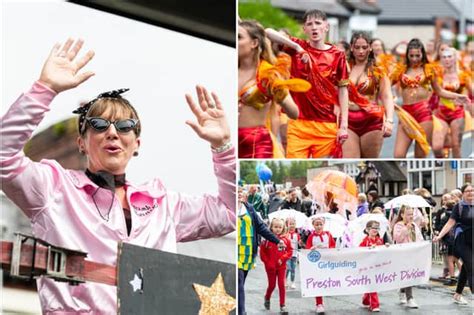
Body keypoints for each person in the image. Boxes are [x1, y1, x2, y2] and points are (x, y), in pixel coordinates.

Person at [0, 39, 236, 313]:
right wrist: (44, 89)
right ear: (82, 143)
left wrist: (224, 147)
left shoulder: (163, 205)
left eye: (124, 126)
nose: (112, 132)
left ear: (136, 144)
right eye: (99, 125)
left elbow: (231, 213)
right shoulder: (53, 188)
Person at [265, 9, 349, 158]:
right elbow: (268, 32)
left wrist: (344, 126)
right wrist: (297, 48)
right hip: (298, 124)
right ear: (304, 29)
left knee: (323, 167)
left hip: (326, 125)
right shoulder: (298, 46)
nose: (314, 27)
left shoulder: (337, 55)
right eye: (309, 24)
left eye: (318, 23)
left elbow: (343, 91)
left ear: (326, 27)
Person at [390, 38, 469, 158]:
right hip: (405, 114)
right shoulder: (401, 70)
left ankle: (418, 176)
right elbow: (384, 88)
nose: (415, 58)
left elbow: (439, 91)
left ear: (423, 54)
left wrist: (457, 96)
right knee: (398, 155)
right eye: (411, 55)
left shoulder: (429, 70)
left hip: (423, 114)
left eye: (418, 55)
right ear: (407, 55)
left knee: (419, 157)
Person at [238, 20, 303, 158]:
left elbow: (294, 113)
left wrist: (279, 94)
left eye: (239, 37)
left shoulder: (268, 74)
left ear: (254, 43)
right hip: (230, 140)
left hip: (256, 144)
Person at [343, 31, 395, 158]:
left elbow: (387, 96)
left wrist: (389, 121)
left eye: (364, 47)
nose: (361, 51)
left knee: (369, 161)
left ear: (370, 48)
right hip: (348, 120)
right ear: (351, 47)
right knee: (350, 159)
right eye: (357, 47)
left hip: (372, 121)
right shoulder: (344, 68)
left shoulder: (378, 70)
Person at [238, 187, 286, 315]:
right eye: (235, 192)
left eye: (239, 192)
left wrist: (277, 240)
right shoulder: (227, 209)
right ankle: (241, 311)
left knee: (240, 284)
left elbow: (261, 228)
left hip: (247, 253)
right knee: (239, 283)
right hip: (234, 252)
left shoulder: (248, 208)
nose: (238, 194)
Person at [433, 183, 473, 305]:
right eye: (468, 191)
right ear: (463, 193)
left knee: (466, 268)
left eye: (472, 190)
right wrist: (439, 236)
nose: (471, 193)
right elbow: (450, 223)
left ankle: (458, 294)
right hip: (462, 240)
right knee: (471, 266)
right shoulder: (459, 207)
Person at [432, 47, 473, 158]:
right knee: (437, 147)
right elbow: (431, 93)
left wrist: (470, 107)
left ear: (455, 58)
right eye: (444, 57)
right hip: (440, 113)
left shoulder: (463, 75)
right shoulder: (437, 75)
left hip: (457, 113)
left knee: (456, 145)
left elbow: (472, 93)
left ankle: (455, 167)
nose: (447, 59)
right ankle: (440, 161)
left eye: (449, 56)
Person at [392, 205, 424, 308]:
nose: (411, 216)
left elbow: (419, 238)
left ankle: (402, 290)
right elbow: (397, 238)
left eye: (412, 214)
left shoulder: (414, 225)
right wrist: (406, 229)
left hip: (413, 254)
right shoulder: (398, 225)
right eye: (408, 214)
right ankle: (410, 298)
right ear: (402, 215)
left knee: (409, 275)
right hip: (403, 254)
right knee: (408, 274)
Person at [260, 218, 292, 312]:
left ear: (283, 228)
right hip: (270, 267)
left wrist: (283, 259)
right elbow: (262, 253)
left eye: (280, 227)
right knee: (272, 285)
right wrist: (268, 262)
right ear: (271, 227)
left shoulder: (286, 240)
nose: (278, 229)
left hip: (282, 266)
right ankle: (267, 297)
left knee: (281, 285)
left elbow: (290, 251)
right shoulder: (266, 240)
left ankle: (282, 305)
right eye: (276, 227)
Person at [306, 217, 336, 314]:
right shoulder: (311, 237)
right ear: (313, 226)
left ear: (323, 225)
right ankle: (319, 303)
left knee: (327, 281)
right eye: (316, 224)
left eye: (320, 224)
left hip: (327, 262)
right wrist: (312, 248)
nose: (319, 226)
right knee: (318, 282)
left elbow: (333, 246)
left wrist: (329, 249)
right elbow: (307, 249)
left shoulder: (328, 234)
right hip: (317, 263)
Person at [360, 220, 385, 312]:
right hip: (368, 267)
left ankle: (366, 300)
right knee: (372, 285)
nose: (375, 230)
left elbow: (383, 251)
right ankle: (374, 305)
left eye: (377, 228)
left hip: (378, 266)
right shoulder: (365, 241)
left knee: (371, 285)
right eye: (373, 228)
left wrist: (386, 246)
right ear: (367, 229)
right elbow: (359, 252)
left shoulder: (379, 240)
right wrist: (368, 249)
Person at [285, 217, 301, 289]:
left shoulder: (297, 235)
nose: (292, 225)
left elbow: (299, 244)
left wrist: (300, 243)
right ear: (287, 225)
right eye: (290, 224)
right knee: (288, 268)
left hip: (294, 254)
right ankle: (284, 280)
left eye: (293, 224)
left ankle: (292, 282)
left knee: (293, 269)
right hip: (287, 254)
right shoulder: (286, 234)